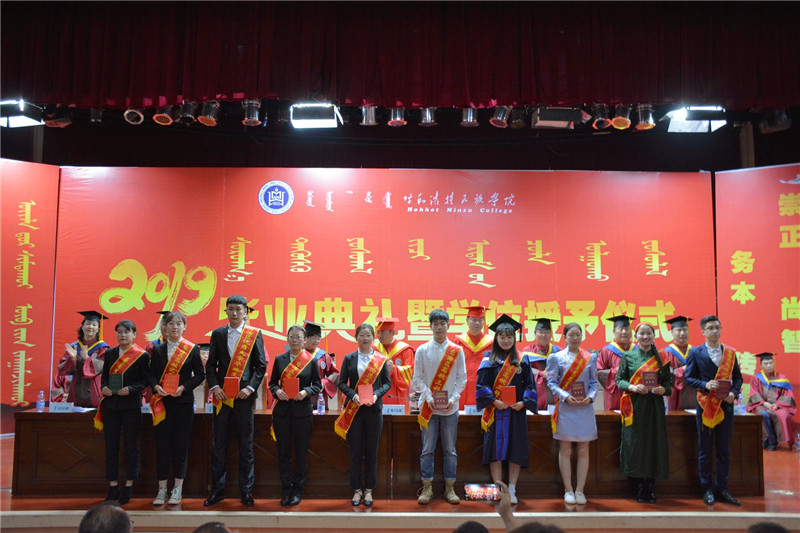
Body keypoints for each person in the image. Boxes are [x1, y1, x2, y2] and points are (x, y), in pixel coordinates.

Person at [204, 295, 267, 507]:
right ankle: (218, 491)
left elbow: (260, 366)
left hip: (243, 399)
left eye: (238, 309)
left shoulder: (254, 334)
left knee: (246, 446)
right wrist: (215, 387)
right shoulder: (218, 334)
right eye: (230, 309)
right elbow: (211, 365)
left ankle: (246, 491)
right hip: (222, 398)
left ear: (245, 312)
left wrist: (250, 388)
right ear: (226, 311)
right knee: (219, 445)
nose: (234, 313)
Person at [476, 315, 537, 505]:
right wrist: (494, 401)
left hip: (516, 412)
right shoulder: (488, 360)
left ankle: (511, 489)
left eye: (509, 337)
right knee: (495, 451)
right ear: (496, 338)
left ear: (514, 339)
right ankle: (498, 488)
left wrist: (524, 402)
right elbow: (481, 385)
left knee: (515, 450)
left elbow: (530, 385)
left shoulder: (522, 360)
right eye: (502, 336)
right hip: (495, 412)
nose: (506, 340)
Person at [146, 311, 205, 506]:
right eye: (171, 323)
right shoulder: (158, 350)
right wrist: (156, 387)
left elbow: (200, 375)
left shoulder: (192, 349)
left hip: (183, 404)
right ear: (165, 327)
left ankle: (177, 488)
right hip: (162, 404)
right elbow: (151, 375)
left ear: (184, 327)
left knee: (180, 446)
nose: (175, 327)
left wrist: (184, 387)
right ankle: (162, 489)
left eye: (179, 323)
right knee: (162, 446)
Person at [685, 315, 743, 506]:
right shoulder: (696, 352)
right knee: (705, 449)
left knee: (724, 450)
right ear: (703, 331)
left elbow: (738, 378)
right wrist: (705, 384)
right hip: (706, 407)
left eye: (717, 327)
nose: (714, 331)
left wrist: (734, 393)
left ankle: (723, 488)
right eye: (710, 328)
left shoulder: (730, 353)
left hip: (726, 407)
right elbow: (688, 378)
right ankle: (707, 489)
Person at [412, 308, 467, 505]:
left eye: (442, 324)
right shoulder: (422, 350)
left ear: (448, 325)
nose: (439, 327)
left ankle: (449, 487)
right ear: (430, 327)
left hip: (450, 409)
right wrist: (428, 397)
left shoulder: (457, 350)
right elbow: (417, 378)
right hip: (428, 408)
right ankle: (427, 487)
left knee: (450, 450)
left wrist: (453, 399)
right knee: (427, 449)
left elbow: (462, 378)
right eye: (435, 324)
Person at [335, 323, 392, 507]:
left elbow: (387, 383)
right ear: (356, 337)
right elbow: (342, 383)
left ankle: (369, 490)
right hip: (354, 410)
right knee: (355, 451)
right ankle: (356, 490)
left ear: (373, 337)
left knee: (372, 451)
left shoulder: (380, 359)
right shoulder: (349, 358)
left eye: (368, 335)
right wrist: (353, 395)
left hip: (373, 411)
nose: (365, 338)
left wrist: (376, 395)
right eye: (362, 335)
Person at [617, 322, 673, 503]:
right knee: (636, 445)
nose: (645, 336)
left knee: (654, 444)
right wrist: (632, 387)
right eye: (641, 334)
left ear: (653, 336)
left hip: (655, 408)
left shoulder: (662, 357)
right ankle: (639, 487)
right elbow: (619, 380)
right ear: (636, 337)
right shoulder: (628, 356)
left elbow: (668, 385)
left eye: (649, 333)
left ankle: (650, 486)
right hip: (635, 407)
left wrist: (662, 390)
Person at [95, 320, 149, 505]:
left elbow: (145, 381)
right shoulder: (110, 353)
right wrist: (104, 387)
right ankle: (112, 486)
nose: (123, 335)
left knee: (132, 447)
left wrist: (132, 389)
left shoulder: (141, 355)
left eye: (127, 332)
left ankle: (129, 485)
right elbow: (104, 378)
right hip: (111, 406)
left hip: (131, 406)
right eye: (119, 332)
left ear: (134, 334)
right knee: (111, 447)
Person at [268, 325, 322, 506]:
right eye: (291, 337)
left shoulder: (310, 360)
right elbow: (272, 383)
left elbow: (317, 385)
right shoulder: (280, 359)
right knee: (283, 453)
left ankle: (298, 490)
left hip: (302, 413)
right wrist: (277, 392)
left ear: (304, 340)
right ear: (287, 339)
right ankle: (286, 490)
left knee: (300, 453)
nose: (295, 340)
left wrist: (306, 392)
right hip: (282, 412)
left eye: (298, 337)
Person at [546, 322, 598, 505]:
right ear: (565, 337)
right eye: (571, 335)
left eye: (578, 335)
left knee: (583, 450)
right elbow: (552, 383)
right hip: (565, 408)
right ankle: (568, 490)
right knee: (566, 450)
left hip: (584, 408)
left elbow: (594, 383)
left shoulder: (590, 357)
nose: (575, 338)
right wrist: (566, 396)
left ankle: (580, 490)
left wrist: (590, 397)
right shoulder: (556, 358)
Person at [57, 310, 110, 407]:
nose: (90, 327)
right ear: (82, 326)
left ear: (98, 329)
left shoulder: (102, 348)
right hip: (76, 389)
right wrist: (72, 359)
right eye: (88, 324)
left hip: (95, 389)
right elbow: (62, 370)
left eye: (94, 325)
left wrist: (87, 359)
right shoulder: (74, 347)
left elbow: (105, 367)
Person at [747, 352, 796, 451]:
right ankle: (771, 439)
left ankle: (786, 441)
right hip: (762, 405)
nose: (769, 365)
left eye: (771, 363)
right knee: (763, 413)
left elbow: (787, 395)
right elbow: (754, 393)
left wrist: (777, 405)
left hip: (779, 406)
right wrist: (765, 403)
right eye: (766, 363)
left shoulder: (781, 378)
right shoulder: (756, 378)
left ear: (774, 363)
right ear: (761, 365)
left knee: (783, 415)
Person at [453, 305, 493, 410]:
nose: (477, 323)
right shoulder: (457, 342)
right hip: (462, 387)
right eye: (474, 320)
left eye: (480, 320)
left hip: (484, 386)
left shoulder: (491, 343)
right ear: (467, 320)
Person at [520, 317, 561, 412]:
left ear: (551, 334)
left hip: (554, 396)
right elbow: (523, 372)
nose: (544, 335)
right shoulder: (527, 351)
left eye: (547, 332)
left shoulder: (558, 351)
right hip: (535, 394)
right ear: (535, 333)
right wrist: (542, 373)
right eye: (540, 332)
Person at [373, 317, 415, 406]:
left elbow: (410, 370)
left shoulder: (405, 350)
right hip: (378, 393)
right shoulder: (373, 349)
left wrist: (394, 369)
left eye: (382, 332)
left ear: (392, 332)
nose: (379, 335)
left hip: (397, 392)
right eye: (378, 332)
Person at [596, 315, 633, 411]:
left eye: (627, 329)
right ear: (614, 332)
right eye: (620, 329)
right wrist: (617, 371)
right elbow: (599, 373)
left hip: (634, 392)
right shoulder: (607, 351)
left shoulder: (637, 350)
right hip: (614, 394)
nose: (624, 332)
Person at [661, 315, 694, 411]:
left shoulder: (695, 351)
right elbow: (663, 373)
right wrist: (681, 370)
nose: (682, 333)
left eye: (685, 330)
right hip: (675, 393)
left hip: (693, 392)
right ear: (672, 332)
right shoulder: (665, 353)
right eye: (679, 330)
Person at [305, 321, 339, 410]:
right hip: (301, 395)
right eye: (313, 338)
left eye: (318, 338)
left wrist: (324, 383)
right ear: (305, 337)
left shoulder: (324, 356)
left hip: (319, 396)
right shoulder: (298, 354)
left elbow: (335, 374)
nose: (316, 341)